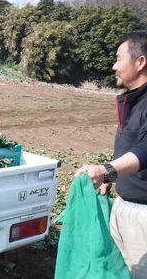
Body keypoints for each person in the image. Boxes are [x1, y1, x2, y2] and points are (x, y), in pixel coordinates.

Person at [75, 29, 147, 277]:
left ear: (140, 62)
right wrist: (112, 178)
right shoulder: (134, 100)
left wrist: (106, 170)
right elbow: (131, 147)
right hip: (124, 207)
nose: (114, 66)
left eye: (119, 58)